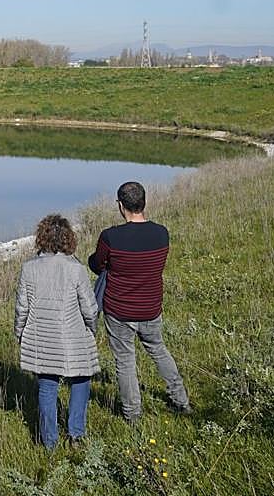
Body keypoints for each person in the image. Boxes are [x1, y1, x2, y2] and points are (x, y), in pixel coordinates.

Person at [89, 181, 190, 423]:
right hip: (151, 307)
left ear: (120, 206)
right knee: (158, 350)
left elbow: (97, 264)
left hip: (119, 309)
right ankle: (181, 400)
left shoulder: (110, 237)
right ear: (144, 203)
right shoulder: (161, 233)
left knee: (124, 361)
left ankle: (132, 414)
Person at [14, 213, 99, 450]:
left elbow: (22, 307)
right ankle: (76, 434)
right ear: (68, 239)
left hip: (41, 338)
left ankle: (49, 441)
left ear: (41, 238)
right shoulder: (76, 268)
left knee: (47, 386)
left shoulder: (29, 268)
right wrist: (92, 330)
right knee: (81, 379)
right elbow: (90, 309)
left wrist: (19, 333)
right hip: (73, 335)